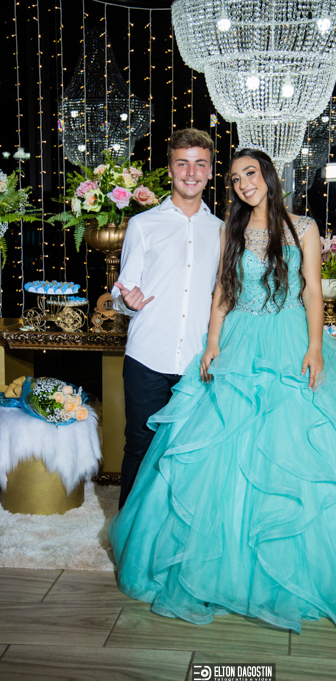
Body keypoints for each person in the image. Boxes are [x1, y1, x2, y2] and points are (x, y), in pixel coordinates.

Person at [109, 148, 336, 636]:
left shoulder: (304, 227)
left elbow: (312, 290)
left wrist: (315, 348)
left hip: (289, 340)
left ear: (269, 176)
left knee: (299, 445)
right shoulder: (231, 229)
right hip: (239, 340)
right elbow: (223, 291)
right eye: (235, 177)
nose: (244, 183)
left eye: (251, 173)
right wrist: (213, 342)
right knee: (224, 445)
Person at [111, 128, 222, 509]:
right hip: (147, 356)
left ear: (210, 171)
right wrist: (127, 301)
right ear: (171, 168)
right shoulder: (143, 225)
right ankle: (129, 534)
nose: (191, 173)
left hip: (197, 363)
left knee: (189, 452)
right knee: (139, 446)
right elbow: (122, 289)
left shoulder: (222, 231)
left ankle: (175, 531)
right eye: (182, 164)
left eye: (200, 164)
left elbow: (224, 296)